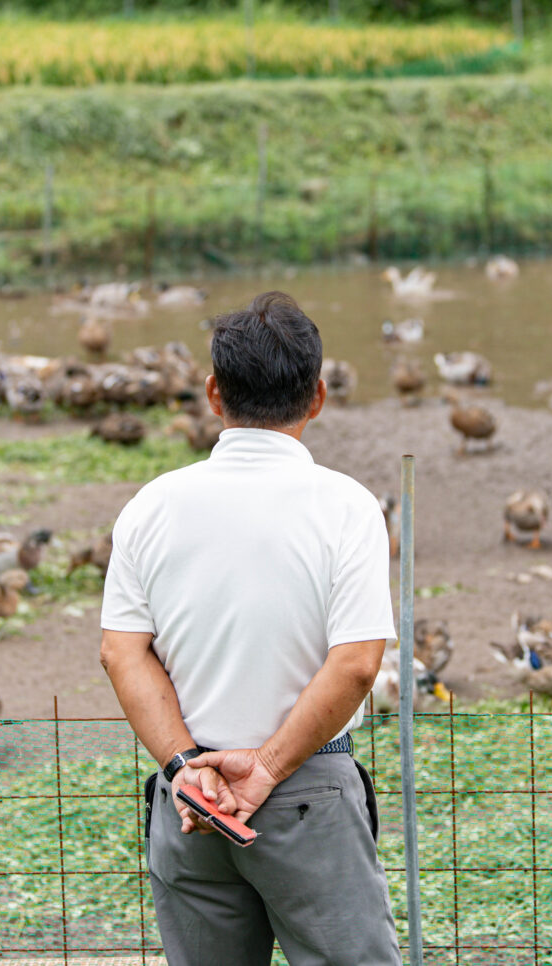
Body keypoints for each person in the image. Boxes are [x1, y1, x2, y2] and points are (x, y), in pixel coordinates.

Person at [99, 291, 401, 965]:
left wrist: (182, 767)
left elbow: (121, 653)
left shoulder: (151, 506)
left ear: (213, 393)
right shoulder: (347, 507)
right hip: (308, 797)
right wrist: (264, 770)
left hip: (191, 804)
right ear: (317, 396)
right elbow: (355, 666)